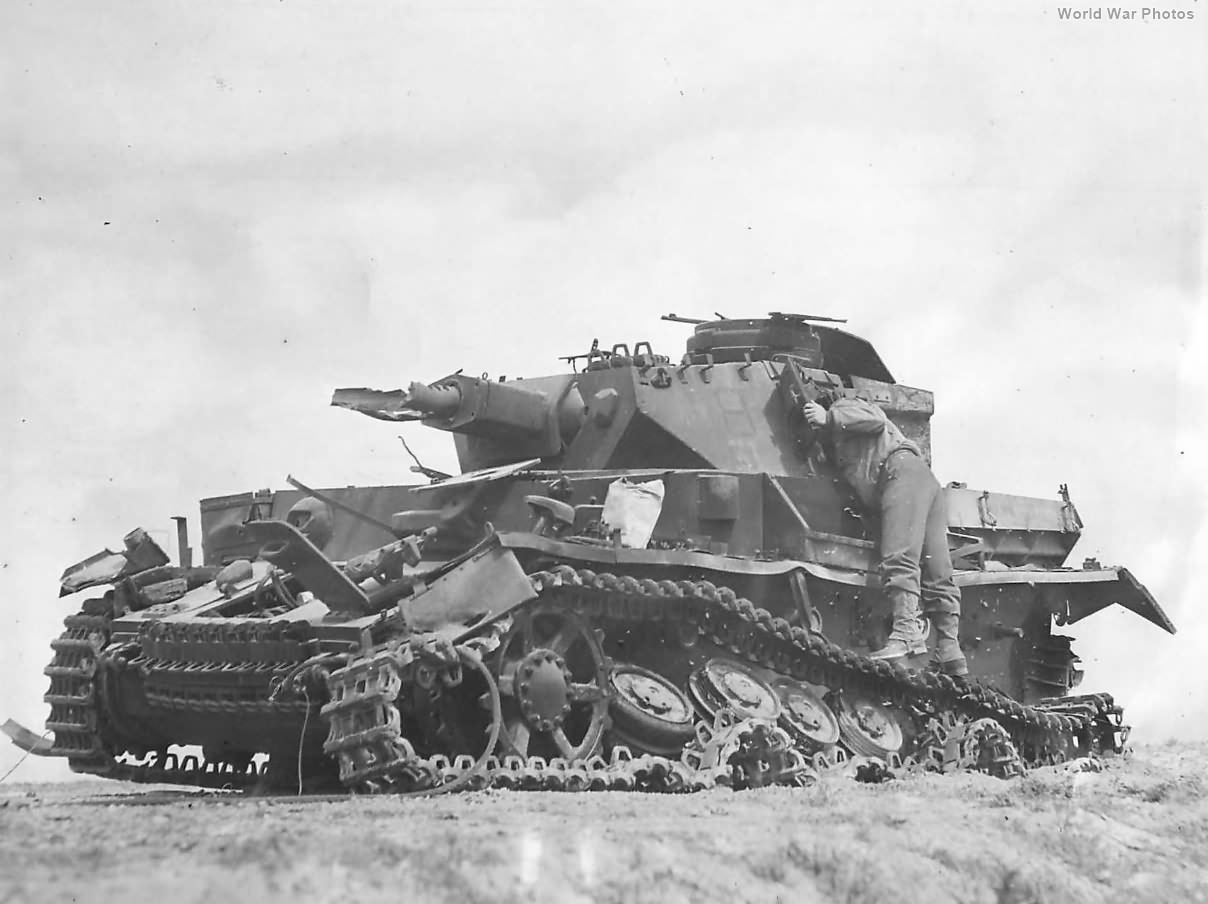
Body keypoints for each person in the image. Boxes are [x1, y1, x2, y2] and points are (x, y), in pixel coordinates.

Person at [803, 397, 968, 676]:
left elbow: (874, 418)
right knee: (937, 571)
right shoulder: (841, 440)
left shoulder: (845, 406)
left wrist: (828, 416)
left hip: (898, 474)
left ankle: (905, 633)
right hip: (921, 479)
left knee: (899, 557)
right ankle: (949, 649)